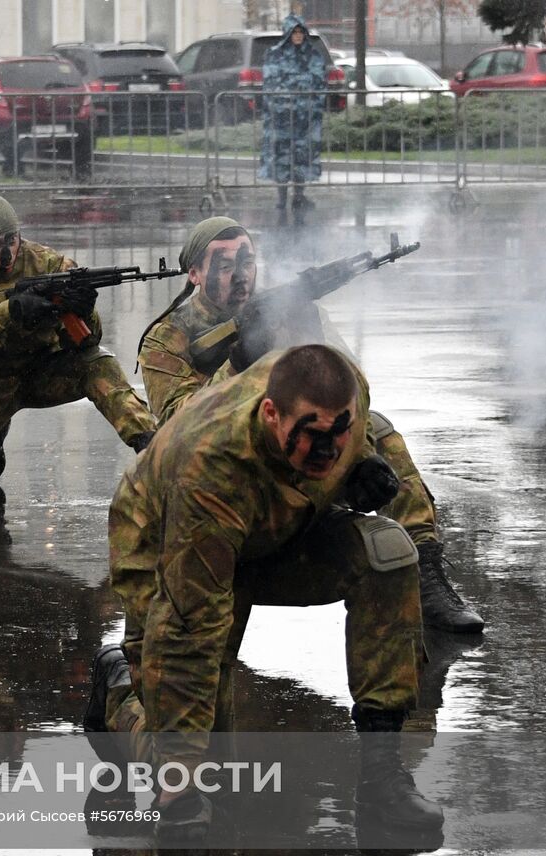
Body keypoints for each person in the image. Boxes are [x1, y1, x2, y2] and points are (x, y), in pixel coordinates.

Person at [87, 344, 444, 835]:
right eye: (314, 437)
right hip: (168, 542)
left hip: (272, 526)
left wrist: (360, 463)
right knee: (212, 775)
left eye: (339, 434)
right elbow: (192, 630)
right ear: (271, 415)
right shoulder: (210, 468)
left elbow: (350, 437)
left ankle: (382, 776)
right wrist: (179, 794)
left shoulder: (344, 396)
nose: (328, 449)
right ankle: (120, 694)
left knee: (388, 554)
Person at [137, 216, 483, 631]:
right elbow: (180, 428)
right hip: (222, 486)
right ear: (194, 273)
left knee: (377, 427)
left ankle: (427, 575)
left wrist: (362, 454)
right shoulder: (166, 339)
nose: (240, 274)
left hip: (294, 458)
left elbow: (350, 381)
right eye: (224, 264)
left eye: (247, 261)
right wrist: (239, 362)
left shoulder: (287, 312)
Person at [0, 195, 156, 495]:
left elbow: (88, 341)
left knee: (99, 364)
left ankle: (152, 446)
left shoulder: (49, 264)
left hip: (44, 371)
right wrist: (10, 314)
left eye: (12, 240)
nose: (8, 252)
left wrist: (83, 311)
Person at [259, 14, 327, 211]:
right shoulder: (275, 55)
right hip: (280, 120)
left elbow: (320, 85)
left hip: (305, 120)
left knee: (302, 158)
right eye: (294, 32)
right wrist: (281, 105)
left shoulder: (313, 56)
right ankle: (281, 197)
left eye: (300, 32)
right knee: (280, 157)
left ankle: (299, 195)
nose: (297, 36)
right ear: (287, 33)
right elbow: (270, 85)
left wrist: (312, 107)